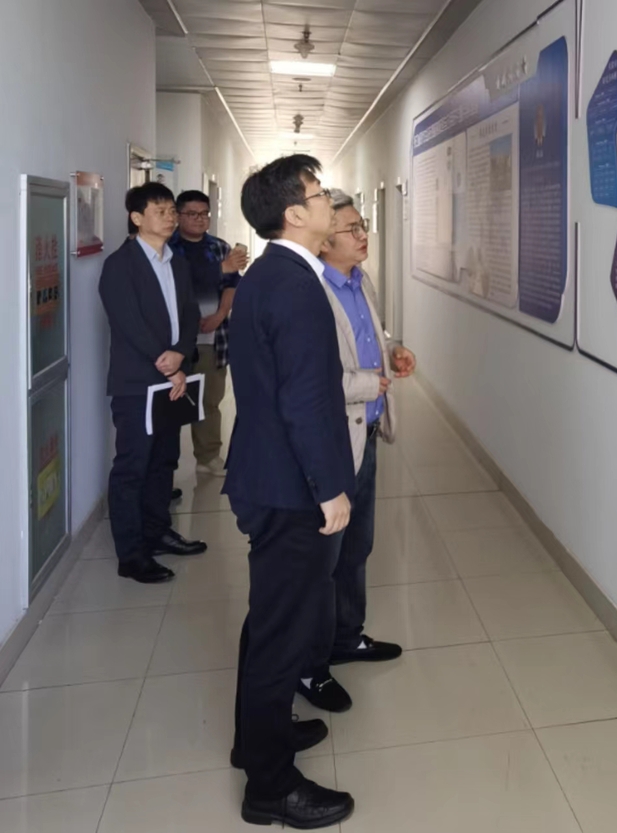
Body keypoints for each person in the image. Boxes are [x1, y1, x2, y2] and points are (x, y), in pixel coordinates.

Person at [223, 155, 356, 829]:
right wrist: (329, 489)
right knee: (283, 632)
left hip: (269, 474)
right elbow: (304, 400)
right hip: (290, 487)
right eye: (318, 192)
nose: (329, 200)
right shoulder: (294, 285)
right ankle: (270, 786)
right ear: (295, 214)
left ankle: (256, 739)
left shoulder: (269, 275)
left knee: (269, 620)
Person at [297, 189, 416, 713]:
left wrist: (393, 351)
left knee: (357, 547)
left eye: (363, 224)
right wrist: (370, 383)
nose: (363, 234)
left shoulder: (360, 280)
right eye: (351, 228)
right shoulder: (311, 293)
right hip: (332, 442)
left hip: (365, 435)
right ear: (325, 242)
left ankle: (347, 636)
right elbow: (312, 379)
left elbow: (370, 339)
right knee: (321, 558)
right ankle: (309, 664)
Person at [99, 183, 208, 585]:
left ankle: (157, 531)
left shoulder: (175, 261)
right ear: (137, 217)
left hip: (171, 379)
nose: (170, 217)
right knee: (133, 466)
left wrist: (181, 353)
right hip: (137, 383)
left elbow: (191, 313)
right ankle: (131, 555)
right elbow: (129, 323)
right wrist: (169, 364)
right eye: (160, 210)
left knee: (164, 459)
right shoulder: (120, 265)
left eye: (171, 210)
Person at [169, 191, 248, 476]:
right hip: (174, 341)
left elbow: (232, 284)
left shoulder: (219, 247)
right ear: (178, 216)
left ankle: (208, 456)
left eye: (204, 214)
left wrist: (220, 314)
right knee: (170, 402)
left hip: (212, 337)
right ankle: (166, 465)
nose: (199, 219)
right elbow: (176, 283)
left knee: (209, 400)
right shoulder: (168, 247)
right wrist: (219, 269)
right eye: (192, 214)